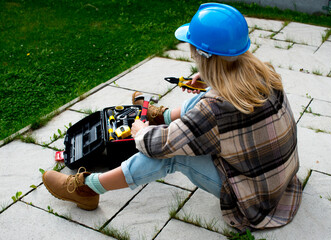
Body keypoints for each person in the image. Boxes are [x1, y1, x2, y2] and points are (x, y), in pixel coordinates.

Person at [43, 3, 302, 233]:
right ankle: (161, 116)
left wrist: (140, 131)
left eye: (193, 51)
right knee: (202, 100)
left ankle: (88, 189)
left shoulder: (213, 109)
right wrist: (211, 80)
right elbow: (217, 102)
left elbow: (158, 146)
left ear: (204, 56)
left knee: (171, 153)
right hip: (279, 181)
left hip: (255, 202)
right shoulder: (264, 73)